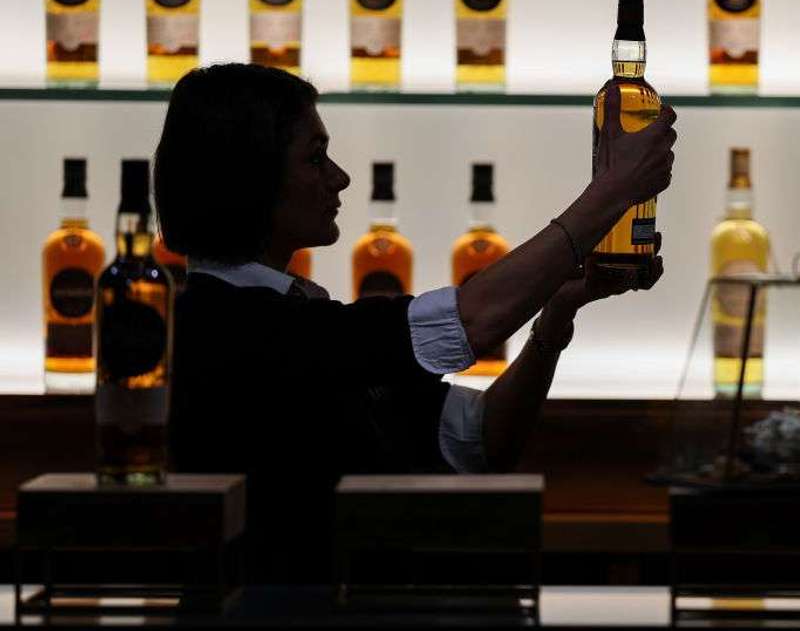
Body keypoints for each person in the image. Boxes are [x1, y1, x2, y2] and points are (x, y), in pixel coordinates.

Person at [153, 63, 676, 582]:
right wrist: (612, 191)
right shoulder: (222, 324)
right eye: (315, 158)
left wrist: (557, 314)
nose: (340, 177)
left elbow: (479, 440)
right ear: (251, 177)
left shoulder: (294, 314)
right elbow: (470, 321)